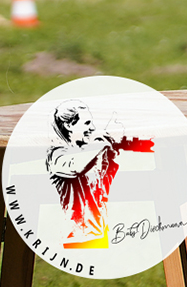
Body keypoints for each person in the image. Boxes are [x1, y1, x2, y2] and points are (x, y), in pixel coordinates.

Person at [46, 101, 154, 248]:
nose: (92, 128)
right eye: (87, 123)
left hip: (97, 232)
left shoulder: (87, 151)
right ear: (69, 125)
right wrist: (100, 143)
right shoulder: (57, 154)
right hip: (76, 236)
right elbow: (75, 167)